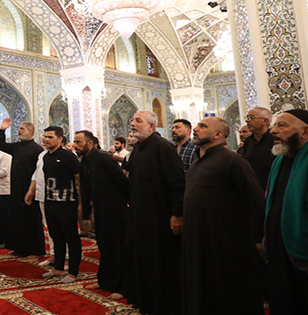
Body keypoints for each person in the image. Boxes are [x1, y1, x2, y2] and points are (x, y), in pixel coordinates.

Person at [182, 117, 265, 315]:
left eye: (203, 126)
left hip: (226, 242)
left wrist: (258, 238)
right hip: (199, 240)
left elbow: (255, 200)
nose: (196, 129)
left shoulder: (233, 161)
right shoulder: (197, 161)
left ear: (218, 134)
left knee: (229, 292)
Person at [124, 111, 186, 315]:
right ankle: (146, 300)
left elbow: (177, 183)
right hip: (140, 215)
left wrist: (177, 214)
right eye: (133, 120)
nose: (132, 124)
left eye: (138, 121)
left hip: (160, 216)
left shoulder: (163, 147)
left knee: (161, 261)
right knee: (142, 257)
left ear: (152, 126)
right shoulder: (138, 148)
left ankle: (165, 305)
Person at [77, 130, 129, 299]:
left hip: (115, 210)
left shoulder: (103, 158)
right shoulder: (84, 161)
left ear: (89, 143)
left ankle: (122, 286)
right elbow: (85, 189)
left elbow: (123, 181)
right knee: (104, 245)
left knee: (117, 247)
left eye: (79, 142)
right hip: (100, 210)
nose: (76, 145)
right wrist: (85, 215)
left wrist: (129, 203)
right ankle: (105, 280)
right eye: (75, 142)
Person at [265, 110, 308, 314]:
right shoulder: (279, 161)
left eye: (282, 126)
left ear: (305, 132)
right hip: (280, 251)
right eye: (275, 125)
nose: (273, 131)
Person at [26, 126, 80, 283]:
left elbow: (80, 179)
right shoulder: (46, 157)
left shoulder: (68, 156)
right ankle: (58, 268)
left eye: (50, 137)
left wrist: (81, 203)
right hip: (50, 202)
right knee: (56, 236)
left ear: (60, 139)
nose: (46, 139)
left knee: (71, 238)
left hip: (66, 203)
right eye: (45, 136)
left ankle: (73, 272)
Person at [0, 117, 45, 257]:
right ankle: (19, 248)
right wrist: (2, 130)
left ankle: (36, 250)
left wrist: (32, 190)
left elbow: (38, 172)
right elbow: (1, 145)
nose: (19, 131)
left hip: (30, 190)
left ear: (30, 132)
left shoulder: (36, 149)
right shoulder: (17, 146)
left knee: (31, 220)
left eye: (22, 129)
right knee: (17, 220)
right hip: (16, 190)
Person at [241, 106, 275, 189]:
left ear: (265, 121)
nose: (247, 120)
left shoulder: (275, 140)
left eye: (251, 117)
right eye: (247, 117)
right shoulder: (248, 141)